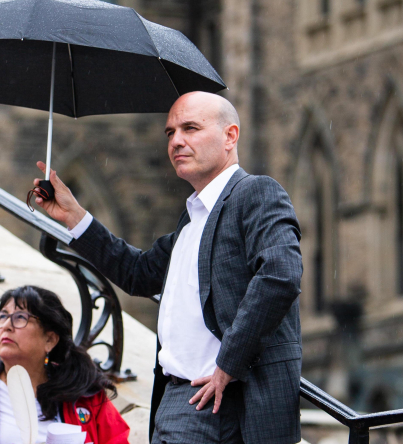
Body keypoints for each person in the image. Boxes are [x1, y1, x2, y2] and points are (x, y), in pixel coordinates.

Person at [32, 91, 303, 444]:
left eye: (190, 128)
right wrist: (74, 217)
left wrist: (228, 365)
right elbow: (137, 273)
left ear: (230, 136)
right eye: (170, 132)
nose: (176, 141)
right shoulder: (191, 222)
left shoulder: (256, 193)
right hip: (178, 399)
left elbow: (280, 275)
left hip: (228, 399)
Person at [0, 285, 130, 444]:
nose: (6, 325)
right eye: (2, 316)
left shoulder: (83, 395)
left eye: (20, 317)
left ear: (49, 340)